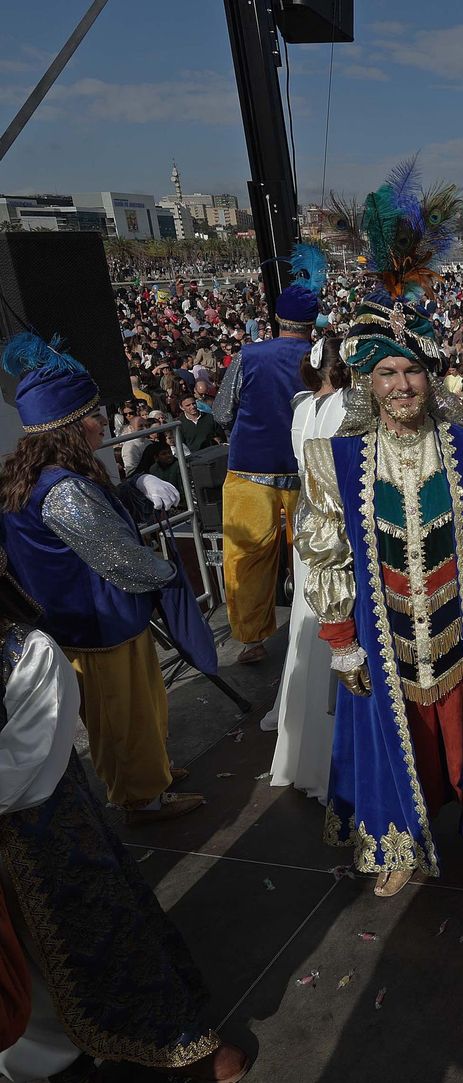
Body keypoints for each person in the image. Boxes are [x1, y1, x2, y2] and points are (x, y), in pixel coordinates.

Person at [297, 166, 463, 896]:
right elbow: (325, 551)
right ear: (365, 380)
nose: (401, 386)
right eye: (386, 373)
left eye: (411, 371)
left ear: (431, 374)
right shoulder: (338, 460)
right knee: (394, 743)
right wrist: (339, 636)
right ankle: (394, 844)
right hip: (384, 639)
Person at [0, 551, 251, 1083]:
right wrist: (158, 573)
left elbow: (27, 763)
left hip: (41, 832)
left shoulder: (25, 654)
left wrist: (156, 575)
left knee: (93, 938)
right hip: (101, 625)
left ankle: (167, 1043)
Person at [0, 333, 202, 825]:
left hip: (81, 623)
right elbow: (120, 558)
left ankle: (148, 775)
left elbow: (99, 521)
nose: (102, 424)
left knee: (125, 713)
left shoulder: (38, 477)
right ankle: (142, 795)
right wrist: (169, 575)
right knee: (125, 717)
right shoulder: (63, 489)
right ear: (70, 427)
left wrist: (133, 487)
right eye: (95, 415)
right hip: (101, 624)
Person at [214, 243, 324, 664]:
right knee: (312, 555)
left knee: (247, 556)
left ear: (277, 318)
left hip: (249, 470)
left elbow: (224, 410)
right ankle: (315, 629)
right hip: (306, 473)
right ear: (313, 323)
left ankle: (252, 641)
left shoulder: (249, 355)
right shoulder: (321, 359)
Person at [262, 335, 349, 800]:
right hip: (336, 524)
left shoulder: (300, 409)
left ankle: (304, 744)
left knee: (307, 617)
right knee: (336, 620)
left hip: (309, 518)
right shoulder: (346, 407)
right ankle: (335, 750)